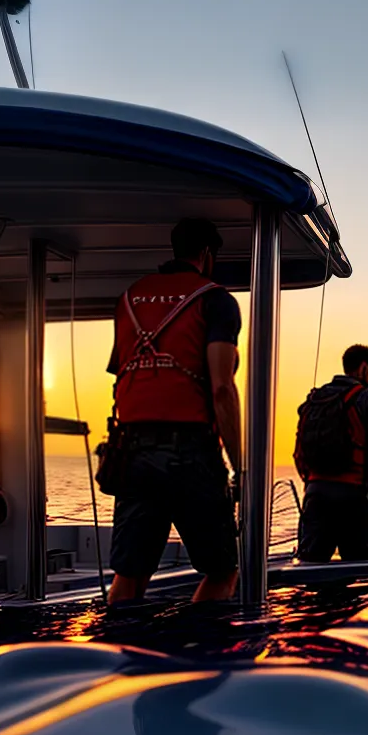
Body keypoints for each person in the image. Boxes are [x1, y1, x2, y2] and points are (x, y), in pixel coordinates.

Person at [105, 218, 241, 603]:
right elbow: (221, 387)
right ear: (207, 254)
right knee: (223, 571)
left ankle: (119, 640)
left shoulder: (129, 299)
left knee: (130, 575)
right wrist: (241, 465)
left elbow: (121, 374)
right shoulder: (216, 300)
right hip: (190, 451)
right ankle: (200, 639)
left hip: (132, 452)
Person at [293, 344, 368, 563]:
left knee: (310, 567)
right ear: (364, 368)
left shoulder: (313, 401)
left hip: (315, 494)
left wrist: (313, 484)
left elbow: (298, 454)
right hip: (352, 497)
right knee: (358, 569)